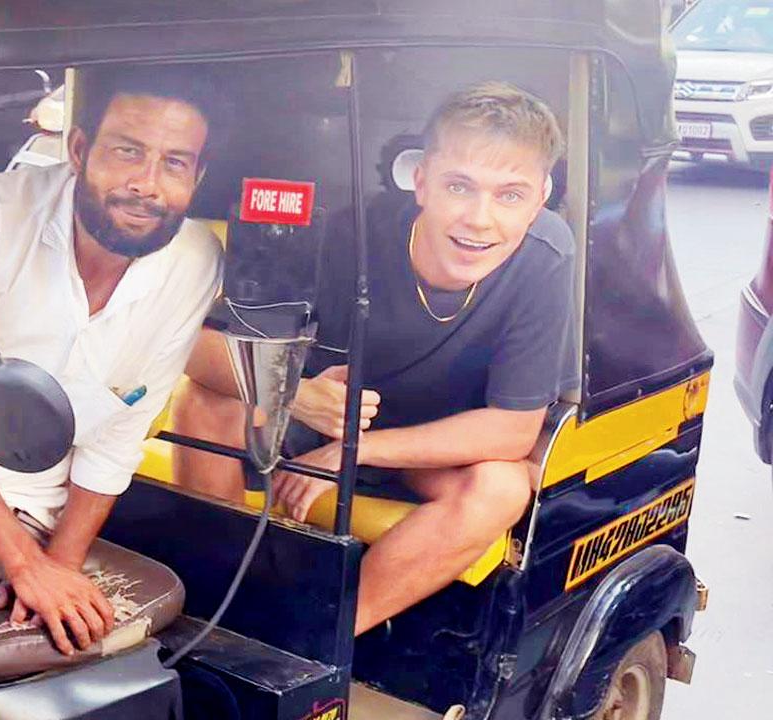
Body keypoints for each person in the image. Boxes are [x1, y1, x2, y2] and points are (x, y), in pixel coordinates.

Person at [173, 81, 577, 635]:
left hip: (423, 448)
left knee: (502, 486)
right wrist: (292, 394)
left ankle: (320, 642)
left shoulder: (546, 256)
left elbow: (512, 431)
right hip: (317, 422)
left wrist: (353, 454)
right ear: (422, 181)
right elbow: (193, 348)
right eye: (460, 186)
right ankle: (214, 608)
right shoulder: (349, 234)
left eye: (510, 195)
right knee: (205, 404)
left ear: (540, 197)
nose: (481, 219)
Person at [0, 67, 224, 656]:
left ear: (197, 176)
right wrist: (23, 563)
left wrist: (60, 563)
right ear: (78, 149)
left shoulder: (195, 259)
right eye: (128, 152)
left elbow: (122, 425)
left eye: (174, 163)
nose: (147, 185)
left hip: (45, 515)